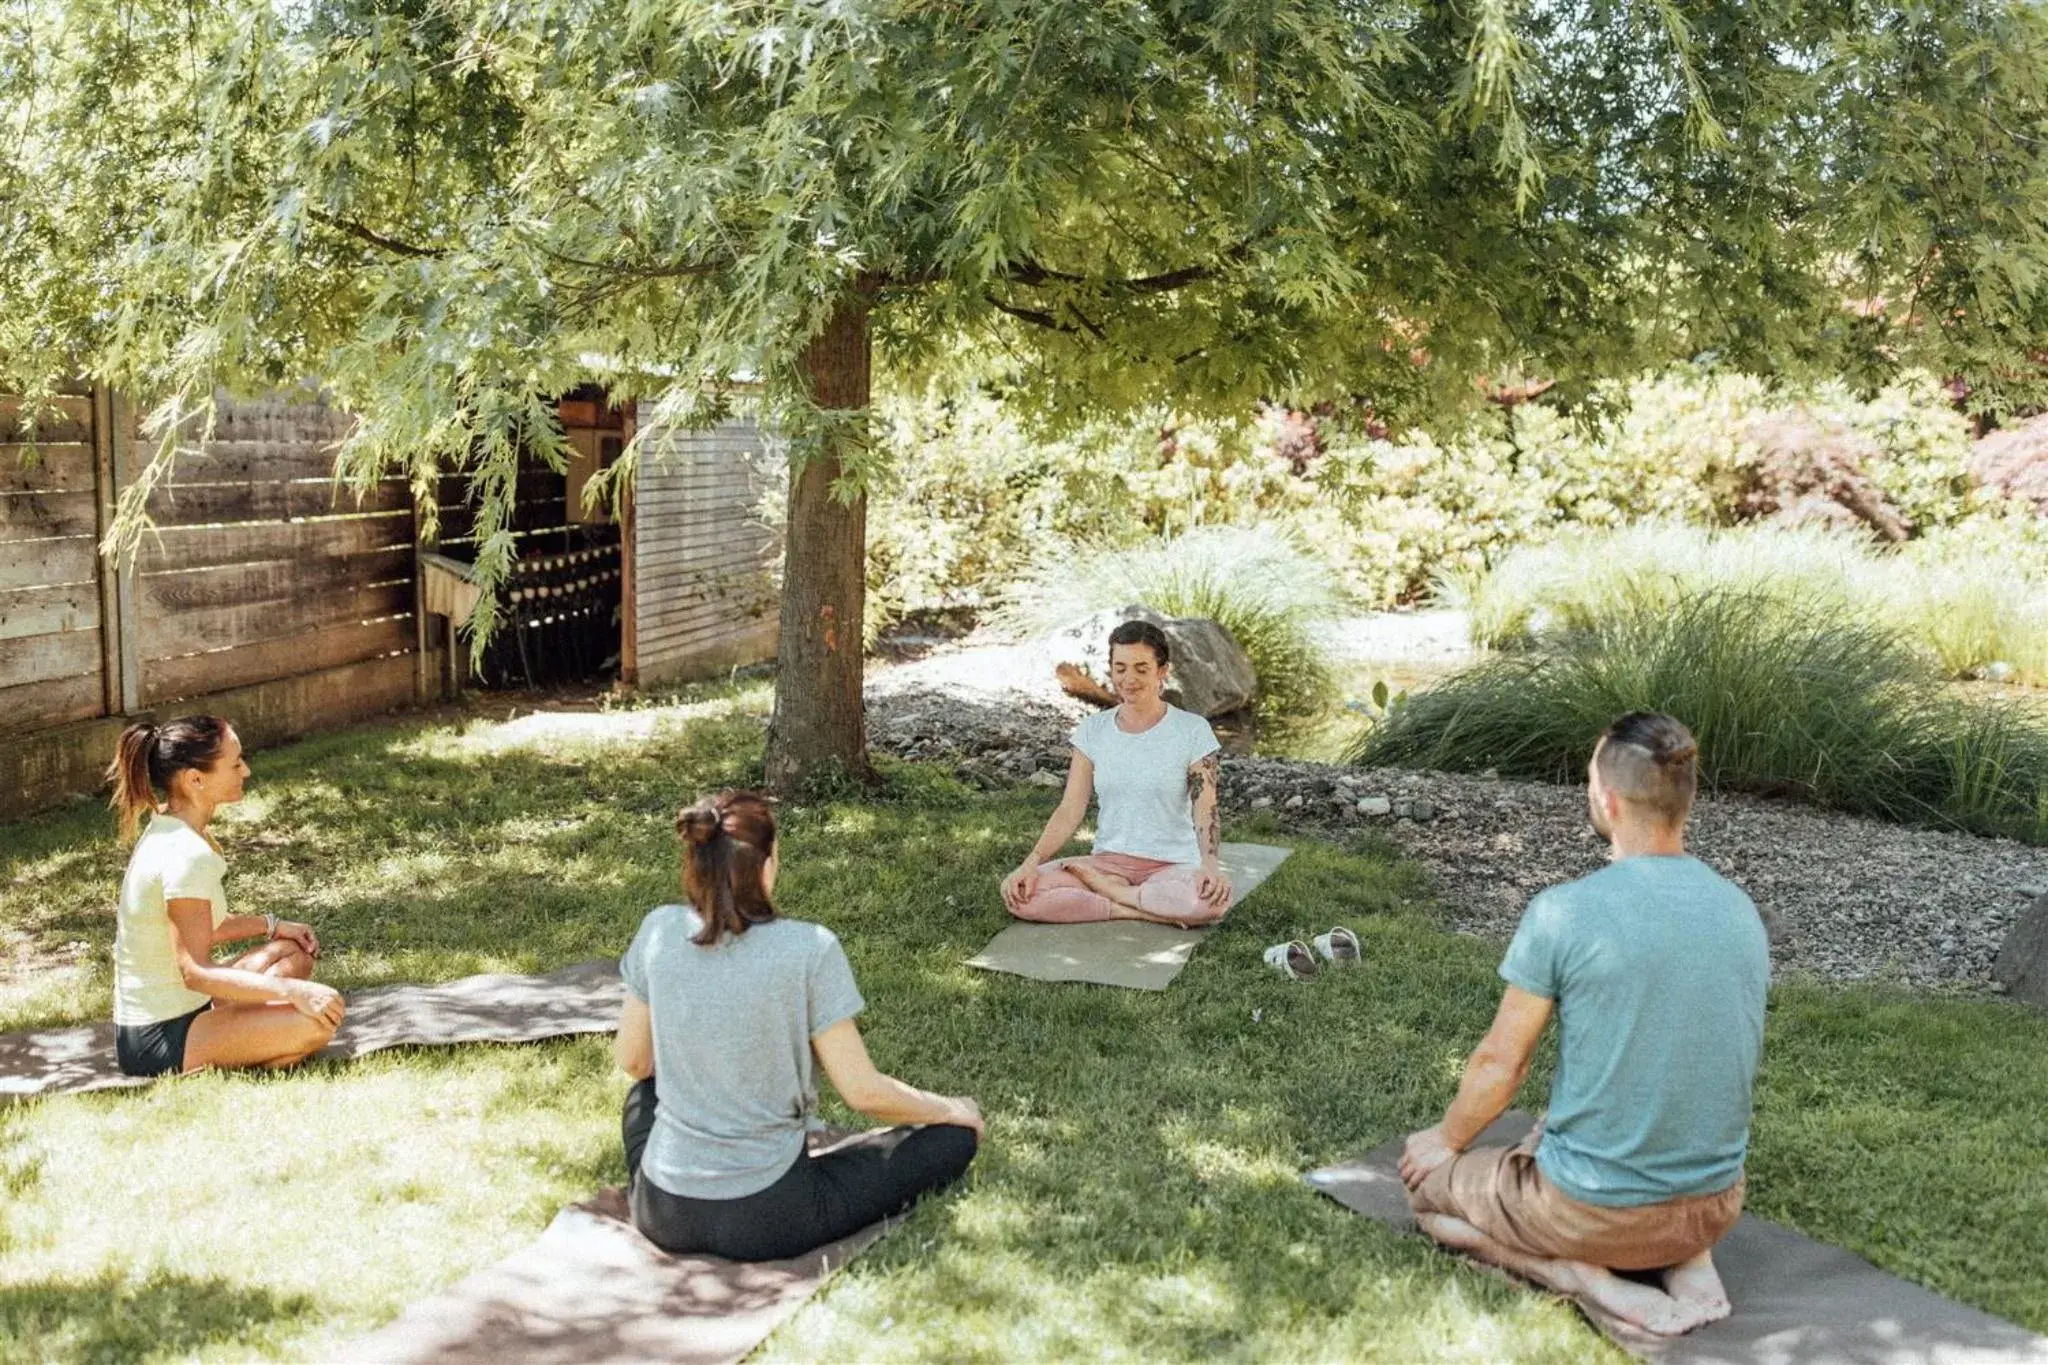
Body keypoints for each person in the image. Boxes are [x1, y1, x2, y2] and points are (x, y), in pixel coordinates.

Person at [1397, 712, 1769, 1337]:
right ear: (1688, 797)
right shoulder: (1739, 910)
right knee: (1571, 1136)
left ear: (1607, 800)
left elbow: (1501, 1065)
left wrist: (1446, 1140)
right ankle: (1687, 1260)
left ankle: (1580, 1278)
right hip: (1715, 1205)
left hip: (1595, 1213)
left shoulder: (1565, 913)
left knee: (1428, 1199)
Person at [614, 789, 982, 1262]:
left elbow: (634, 1061)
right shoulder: (810, 949)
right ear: (767, 865)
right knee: (952, 1140)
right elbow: (863, 1092)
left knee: (644, 1095)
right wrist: (951, 1109)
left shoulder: (658, 930)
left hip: (661, 1211)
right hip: (769, 1219)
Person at [107, 717, 346, 1077]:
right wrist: (294, 993)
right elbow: (195, 972)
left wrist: (273, 926)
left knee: (292, 954)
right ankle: (250, 1053)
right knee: (318, 1022)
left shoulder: (171, 826)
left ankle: (248, 1040)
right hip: (160, 1038)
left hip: (193, 1008)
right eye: (235, 764)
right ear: (195, 779)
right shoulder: (184, 854)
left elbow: (201, 928)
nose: (246, 770)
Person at [1001, 619, 1231, 926]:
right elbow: (1071, 808)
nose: (1129, 679)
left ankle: (1112, 895)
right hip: (1107, 864)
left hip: (1171, 866)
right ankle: (1132, 907)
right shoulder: (1093, 730)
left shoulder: (1192, 730)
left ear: (1163, 671)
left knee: (1209, 903)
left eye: (1141, 668)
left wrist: (1210, 866)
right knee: (1023, 895)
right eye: (1120, 667)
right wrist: (1030, 862)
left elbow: (1206, 808)